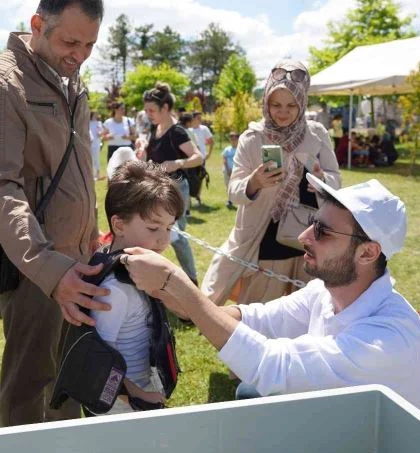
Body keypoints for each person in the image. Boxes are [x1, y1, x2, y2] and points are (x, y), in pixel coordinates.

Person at [122, 174, 420, 418]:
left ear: (367, 252)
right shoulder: (324, 294)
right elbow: (253, 319)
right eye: (312, 223)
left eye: (322, 232)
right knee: (249, 393)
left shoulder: (387, 338)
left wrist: (176, 282)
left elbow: (271, 366)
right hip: (347, 428)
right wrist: (174, 295)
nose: (303, 236)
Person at [0, 0, 108, 426]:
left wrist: (91, 240)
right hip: (37, 267)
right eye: (71, 41)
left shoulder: (71, 79)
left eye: (90, 45)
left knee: (69, 379)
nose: (80, 54)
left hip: (79, 260)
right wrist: (52, 270)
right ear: (36, 24)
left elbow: (80, 171)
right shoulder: (2, 82)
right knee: (30, 386)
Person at [203, 60, 340, 306]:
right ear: (266, 102)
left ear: (302, 102)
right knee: (260, 312)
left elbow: (335, 180)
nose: (283, 112)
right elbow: (234, 191)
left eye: (291, 105)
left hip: (309, 238)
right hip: (266, 241)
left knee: (307, 312)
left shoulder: (317, 134)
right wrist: (253, 183)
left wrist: (323, 181)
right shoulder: (253, 137)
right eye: (276, 104)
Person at [92, 161, 184, 413]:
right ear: (119, 224)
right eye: (154, 228)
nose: (164, 239)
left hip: (142, 385)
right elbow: (98, 360)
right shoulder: (114, 290)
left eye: (169, 227)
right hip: (120, 405)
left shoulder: (138, 270)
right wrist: (139, 396)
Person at [143, 82, 204, 285]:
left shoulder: (177, 132)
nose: (148, 114)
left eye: (152, 110)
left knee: (177, 238)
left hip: (177, 189)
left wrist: (177, 163)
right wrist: (142, 149)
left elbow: (198, 157)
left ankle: (191, 281)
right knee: (150, 232)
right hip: (156, 189)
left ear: (165, 108)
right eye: (146, 111)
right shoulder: (154, 128)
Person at [187, 112, 213, 207]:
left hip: (201, 158)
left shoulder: (204, 129)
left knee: (200, 177)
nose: (200, 119)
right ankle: (188, 200)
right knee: (189, 178)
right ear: (193, 119)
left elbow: (211, 141)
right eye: (198, 117)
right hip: (190, 158)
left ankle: (198, 197)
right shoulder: (188, 129)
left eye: (200, 117)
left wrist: (208, 154)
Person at [222, 132, 239, 209]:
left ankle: (238, 199)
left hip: (237, 170)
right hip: (227, 170)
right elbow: (224, 159)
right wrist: (228, 169)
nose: (233, 140)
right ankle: (230, 200)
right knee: (228, 185)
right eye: (231, 139)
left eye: (235, 139)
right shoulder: (227, 149)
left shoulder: (240, 149)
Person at [89, 110, 104, 180]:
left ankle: (97, 174)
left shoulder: (99, 123)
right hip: (89, 143)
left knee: (96, 158)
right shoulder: (87, 122)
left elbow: (101, 132)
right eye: (95, 114)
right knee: (90, 158)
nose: (96, 115)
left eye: (97, 114)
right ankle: (91, 174)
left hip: (96, 143)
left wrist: (100, 133)